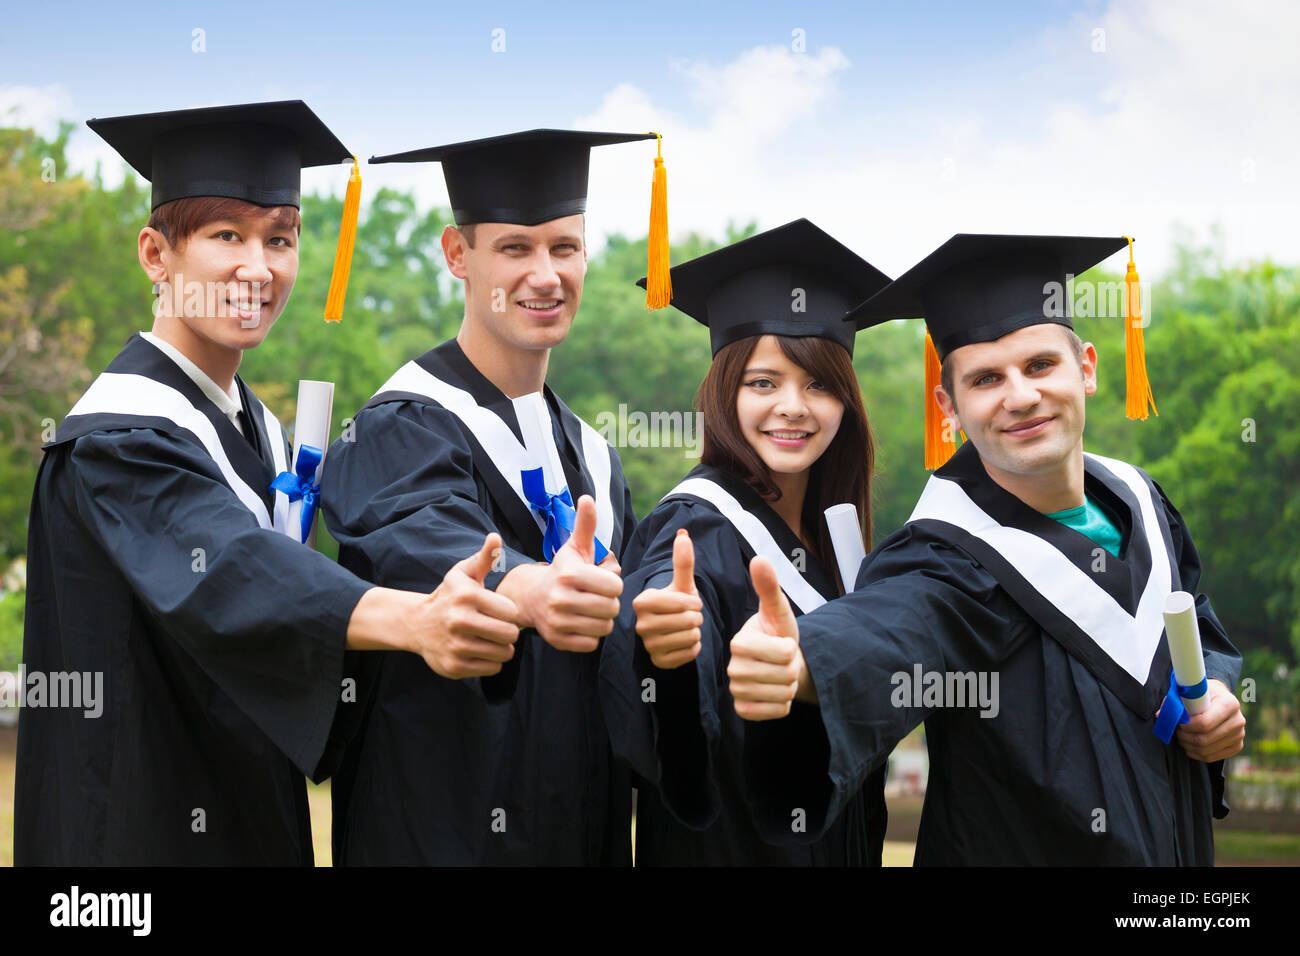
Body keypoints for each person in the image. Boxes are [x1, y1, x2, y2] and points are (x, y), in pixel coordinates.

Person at [15, 101, 520, 865]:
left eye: (279, 238)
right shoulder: (117, 439)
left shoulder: (256, 431)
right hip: (133, 838)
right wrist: (411, 619)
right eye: (227, 236)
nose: (260, 266)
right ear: (156, 254)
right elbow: (231, 572)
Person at [727, 234, 1246, 865]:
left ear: (1086, 366)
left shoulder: (1143, 503)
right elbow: (890, 630)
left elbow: (1198, 621)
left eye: (1038, 366)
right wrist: (804, 663)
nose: (1020, 397)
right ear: (949, 405)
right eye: (985, 379)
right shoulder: (945, 557)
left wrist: (1214, 693)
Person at [321, 129, 660, 865]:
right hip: (441, 833)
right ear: (456, 255)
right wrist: (527, 587)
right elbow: (420, 532)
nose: (546, 275)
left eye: (564, 248)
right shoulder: (398, 427)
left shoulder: (593, 457)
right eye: (515, 248)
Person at [600, 219, 891, 865]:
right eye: (763, 382)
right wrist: (662, 649)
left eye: (819, 383)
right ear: (723, 393)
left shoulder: (842, 544)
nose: (793, 406)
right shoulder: (694, 526)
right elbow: (664, 602)